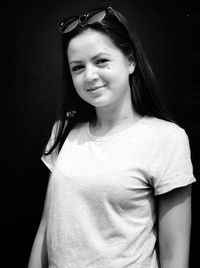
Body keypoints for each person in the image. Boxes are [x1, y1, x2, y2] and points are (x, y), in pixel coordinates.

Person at [28, 6, 196, 268]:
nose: (90, 76)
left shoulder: (166, 139)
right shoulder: (64, 131)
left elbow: (175, 256)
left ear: (130, 60)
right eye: (77, 67)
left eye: (101, 61)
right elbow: (46, 229)